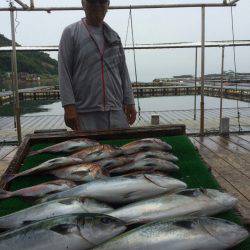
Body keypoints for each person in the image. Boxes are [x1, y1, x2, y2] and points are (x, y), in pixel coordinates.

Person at [58, 0, 137, 131]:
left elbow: (123, 71)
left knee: (120, 148)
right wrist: (68, 106)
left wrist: (130, 101)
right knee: (89, 150)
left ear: (108, 5)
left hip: (115, 108)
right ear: (83, 3)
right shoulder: (71, 32)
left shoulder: (114, 36)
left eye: (102, 2)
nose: (97, 6)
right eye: (92, 2)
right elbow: (64, 71)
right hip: (85, 111)